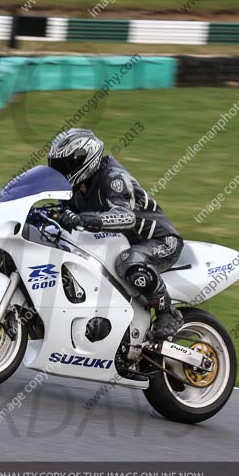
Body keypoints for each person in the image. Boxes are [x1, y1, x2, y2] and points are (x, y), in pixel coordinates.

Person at [47, 128, 184, 341]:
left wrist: (86, 219)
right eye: (57, 167)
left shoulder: (113, 178)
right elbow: (61, 210)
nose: (62, 172)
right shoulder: (76, 187)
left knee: (128, 262)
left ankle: (168, 313)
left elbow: (125, 216)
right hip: (122, 243)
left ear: (85, 159)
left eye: (66, 165)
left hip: (159, 241)